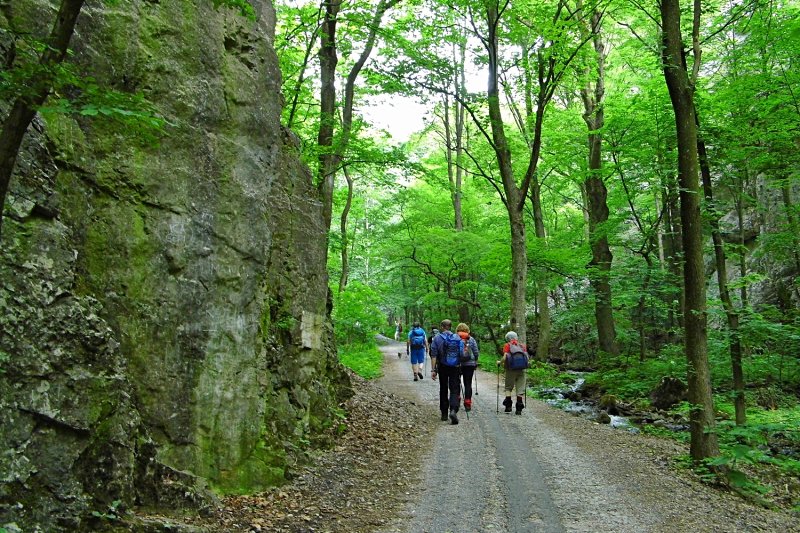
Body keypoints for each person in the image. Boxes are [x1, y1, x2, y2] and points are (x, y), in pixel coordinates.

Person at [430, 319, 463, 425]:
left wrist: (434, 369)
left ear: (442, 326)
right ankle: (453, 410)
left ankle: (444, 413)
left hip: (442, 366)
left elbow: (433, 355)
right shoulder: (457, 337)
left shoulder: (437, 338)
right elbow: (462, 353)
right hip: (455, 366)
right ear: (450, 326)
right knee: (454, 389)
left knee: (443, 388)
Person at [497, 331, 527, 415]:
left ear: (507, 338)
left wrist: (500, 362)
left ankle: (508, 406)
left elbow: (505, 356)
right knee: (520, 388)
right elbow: (526, 357)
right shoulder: (522, 346)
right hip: (521, 369)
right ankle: (519, 408)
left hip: (510, 370)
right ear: (516, 337)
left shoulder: (507, 345)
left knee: (508, 387)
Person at [455, 323, 479, 411]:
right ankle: (467, 403)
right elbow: (476, 352)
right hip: (469, 364)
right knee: (467, 383)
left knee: (456, 382)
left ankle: (456, 400)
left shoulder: (455, 338)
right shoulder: (471, 339)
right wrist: (475, 361)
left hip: (457, 363)